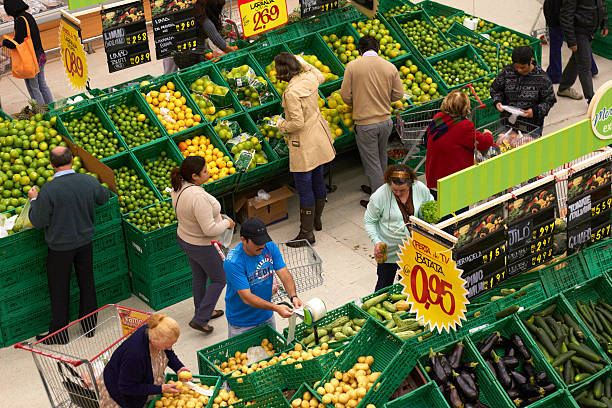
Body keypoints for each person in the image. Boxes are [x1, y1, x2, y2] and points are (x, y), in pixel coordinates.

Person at [28, 146, 110, 344]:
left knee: (59, 288)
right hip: (84, 242)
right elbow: (104, 198)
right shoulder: (88, 180)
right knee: (87, 283)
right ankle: (90, 327)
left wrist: (34, 200)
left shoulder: (48, 190)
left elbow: (38, 221)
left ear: (51, 165)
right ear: (72, 160)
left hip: (60, 247)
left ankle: (60, 334)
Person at [274, 52, 336, 245]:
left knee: (304, 186)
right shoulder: (309, 78)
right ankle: (316, 220)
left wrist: (280, 125)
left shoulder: (291, 92)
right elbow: (320, 74)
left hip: (303, 143)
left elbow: (297, 123)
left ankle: (306, 232)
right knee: (318, 179)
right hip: (318, 136)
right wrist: (302, 61)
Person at [170, 156, 235, 334]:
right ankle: (201, 319)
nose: (209, 172)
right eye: (205, 171)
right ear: (195, 176)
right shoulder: (197, 197)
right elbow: (210, 230)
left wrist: (216, 218)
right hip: (201, 244)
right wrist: (226, 223)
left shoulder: (179, 187)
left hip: (185, 238)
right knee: (220, 278)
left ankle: (202, 310)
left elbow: (195, 217)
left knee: (199, 275)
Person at [340, 35, 404, 208]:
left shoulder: (353, 66)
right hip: (385, 121)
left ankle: (379, 202)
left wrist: (359, 100)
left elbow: (345, 95)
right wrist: (382, 98)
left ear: (360, 50)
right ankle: (381, 189)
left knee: (372, 163)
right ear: (378, 50)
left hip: (365, 123)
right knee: (381, 157)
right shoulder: (389, 67)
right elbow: (398, 95)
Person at [224, 218, 304, 337]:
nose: (262, 245)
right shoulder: (234, 262)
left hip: (266, 316)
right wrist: (276, 308)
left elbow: (283, 273)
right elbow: (247, 297)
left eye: (263, 240)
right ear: (243, 240)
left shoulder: (269, 247)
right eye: (257, 242)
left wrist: (293, 296)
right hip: (242, 323)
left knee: (272, 353)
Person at [364, 165, 433, 291]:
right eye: (394, 190)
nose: (398, 193)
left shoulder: (420, 188)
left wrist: (426, 218)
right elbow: (369, 221)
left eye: (402, 190)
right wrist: (377, 242)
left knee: (409, 286)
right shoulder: (379, 196)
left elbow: (429, 202)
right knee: (384, 285)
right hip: (389, 251)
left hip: (414, 248)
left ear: (411, 184)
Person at [100, 314, 191, 408]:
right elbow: (127, 387)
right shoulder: (135, 355)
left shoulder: (154, 329)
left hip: (139, 382)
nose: (169, 348)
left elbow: (168, 352)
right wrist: (160, 388)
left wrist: (178, 367)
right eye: (167, 345)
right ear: (155, 339)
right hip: (121, 392)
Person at [425, 91, 494, 199]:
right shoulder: (464, 126)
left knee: (438, 209)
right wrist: (488, 134)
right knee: (457, 212)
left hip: (434, 177)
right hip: (452, 182)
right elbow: (483, 143)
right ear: (466, 107)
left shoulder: (438, 117)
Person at [490, 46, 556, 134]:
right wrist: (497, 101)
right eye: (516, 67)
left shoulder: (542, 78)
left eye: (523, 67)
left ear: (530, 61)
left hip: (531, 127)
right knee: (503, 146)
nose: (519, 70)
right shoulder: (507, 72)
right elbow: (495, 89)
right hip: (507, 123)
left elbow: (549, 100)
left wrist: (534, 111)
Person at [1, 0, 53, 105]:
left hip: (31, 59)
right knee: (42, 84)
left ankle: (42, 112)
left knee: (33, 87)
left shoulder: (19, 20)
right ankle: (52, 107)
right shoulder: (28, 16)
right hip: (40, 55)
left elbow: (18, 42)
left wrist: (4, 42)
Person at [557, 0, 608, 103]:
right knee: (585, 65)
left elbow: (602, 4)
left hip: (590, 30)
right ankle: (592, 100)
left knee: (576, 60)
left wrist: (604, 23)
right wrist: (571, 41)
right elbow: (566, 16)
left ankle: (563, 87)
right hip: (579, 33)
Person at [543, 0, 598, 84]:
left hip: (556, 14)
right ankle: (592, 68)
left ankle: (555, 75)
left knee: (555, 46)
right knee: (581, 43)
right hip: (573, 16)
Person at [173, 0, 234, 70]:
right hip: (193, 56)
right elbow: (219, 42)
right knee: (197, 76)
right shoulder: (204, 20)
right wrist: (235, 52)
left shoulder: (191, 13)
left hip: (179, 56)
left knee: (188, 77)